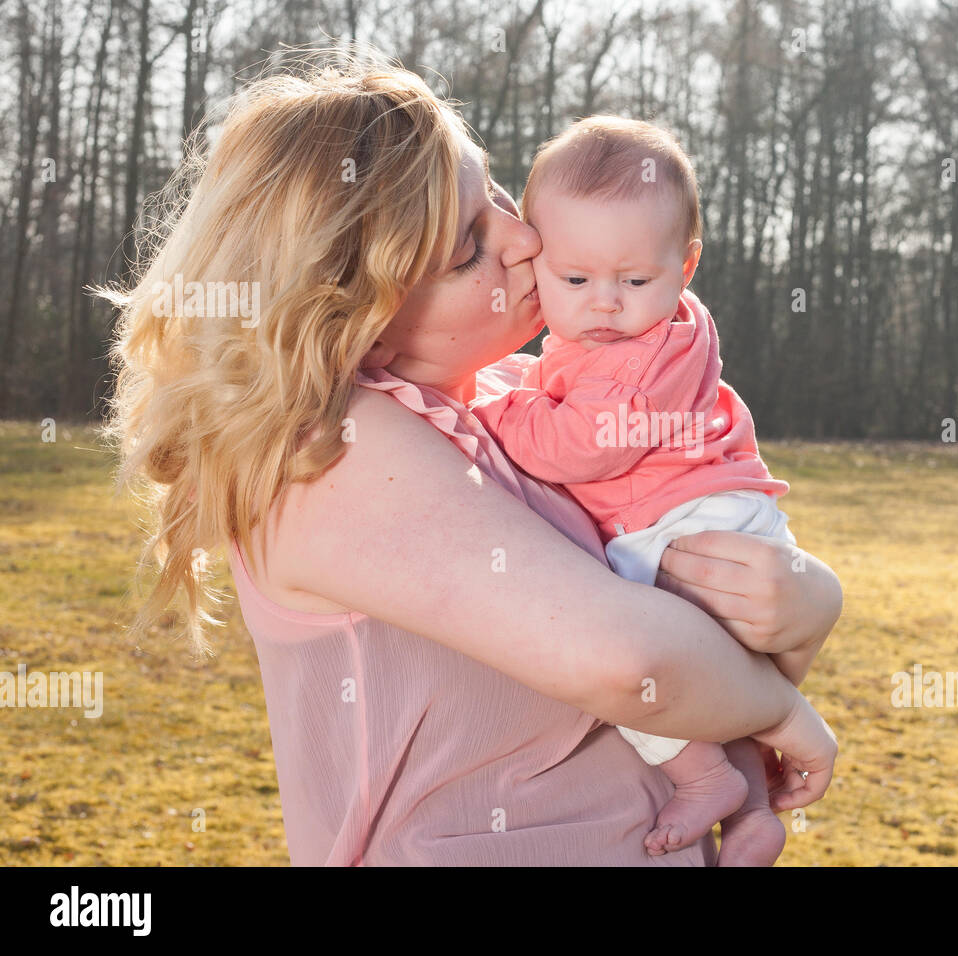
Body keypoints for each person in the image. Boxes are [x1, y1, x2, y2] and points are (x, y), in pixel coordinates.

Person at [100, 50, 840, 866]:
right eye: (467, 247)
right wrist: (779, 710)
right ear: (352, 315)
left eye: (492, 190)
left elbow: (696, 620)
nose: (525, 236)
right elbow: (633, 662)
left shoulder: (518, 394)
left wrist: (809, 599)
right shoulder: (332, 449)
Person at [470, 116, 801, 865]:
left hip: (684, 525)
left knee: (621, 647)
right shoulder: (667, 331)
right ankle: (751, 805)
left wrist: (494, 404)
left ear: (685, 267)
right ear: (537, 260)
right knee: (720, 689)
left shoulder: (633, 360)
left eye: (635, 280)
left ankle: (704, 776)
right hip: (721, 513)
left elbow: (577, 448)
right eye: (577, 279)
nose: (606, 304)